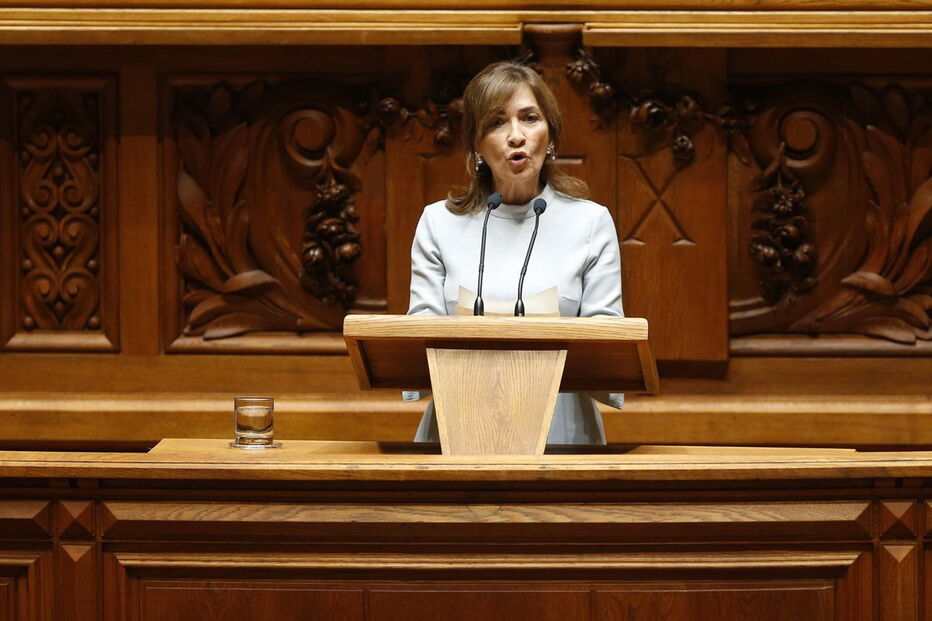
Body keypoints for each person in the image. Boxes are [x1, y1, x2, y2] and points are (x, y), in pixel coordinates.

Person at [406, 60, 624, 445]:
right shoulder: (437, 223)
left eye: (529, 118)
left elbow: (608, 351)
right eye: (496, 122)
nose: (516, 136)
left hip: (561, 430)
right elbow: (415, 344)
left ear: (550, 134)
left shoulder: (590, 223)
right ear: (476, 143)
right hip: (456, 428)